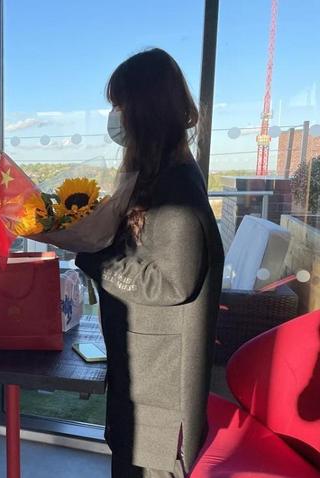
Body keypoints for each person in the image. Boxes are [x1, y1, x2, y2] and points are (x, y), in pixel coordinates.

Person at [76, 49, 224, 477]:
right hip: (143, 374)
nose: (116, 118)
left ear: (144, 110)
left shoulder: (177, 186)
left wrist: (93, 255)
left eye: (121, 106)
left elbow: (172, 282)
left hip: (160, 390)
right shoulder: (160, 176)